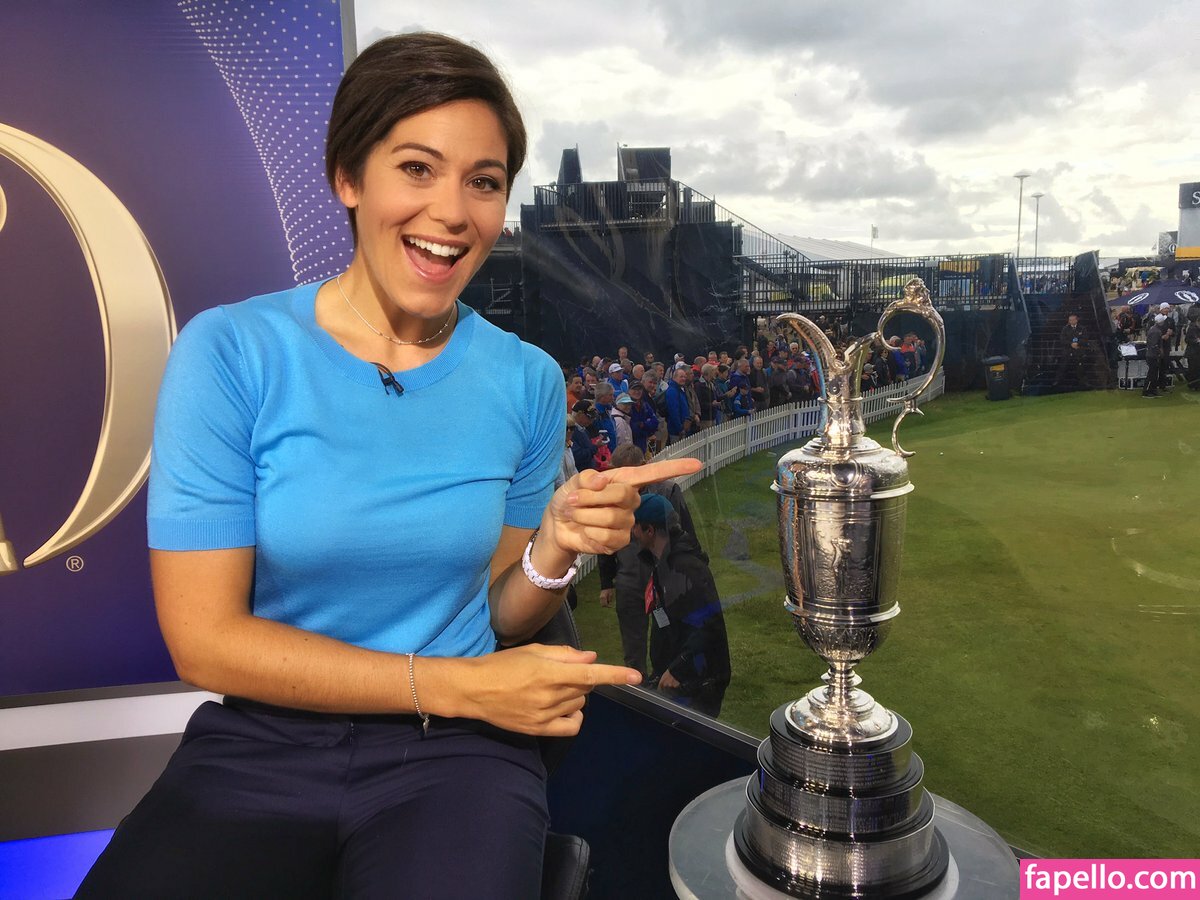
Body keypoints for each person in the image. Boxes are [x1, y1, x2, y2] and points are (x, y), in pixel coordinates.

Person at [77, 33, 699, 899]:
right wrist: (458, 687)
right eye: (417, 168)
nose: (452, 212)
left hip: (455, 762)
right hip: (269, 744)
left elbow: (501, 615)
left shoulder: (525, 379)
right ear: (348, 176)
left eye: (483, 182)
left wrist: (554, 546)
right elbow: (205, 640)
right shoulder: (231, 353)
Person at [630, 494, 730, 718]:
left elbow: (709, 625)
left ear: (649, 530)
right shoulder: (663, 563)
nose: (632, 532)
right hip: (679, 674)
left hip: (697, 681)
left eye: (635, 526)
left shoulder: (686, 568)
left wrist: (678, 669)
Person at [1055, 313, 1086, 387]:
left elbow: (1085, 338)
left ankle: (1083, 383)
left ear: (1076, 320)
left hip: (1078, 351)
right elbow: (1062, 339)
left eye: (1073, 320)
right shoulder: (1065, 329)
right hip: (1067, 351)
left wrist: (1078, 343)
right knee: (1063, 367)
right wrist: (1071, 344)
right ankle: (1057, 382)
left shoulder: (1082, 328)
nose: (1071, 321)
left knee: (1080, 368)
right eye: (1070, 320)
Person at [1143, 314, 1166, 398]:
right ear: (1160, 322)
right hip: (1153, 355)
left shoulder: (1153, 329)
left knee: (1154, 374)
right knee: (1152, 374)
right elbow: (1154, 344)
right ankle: (1146, 391)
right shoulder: (1156, 331)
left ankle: (1153, 390)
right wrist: (1160, 351)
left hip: (1152, 354)